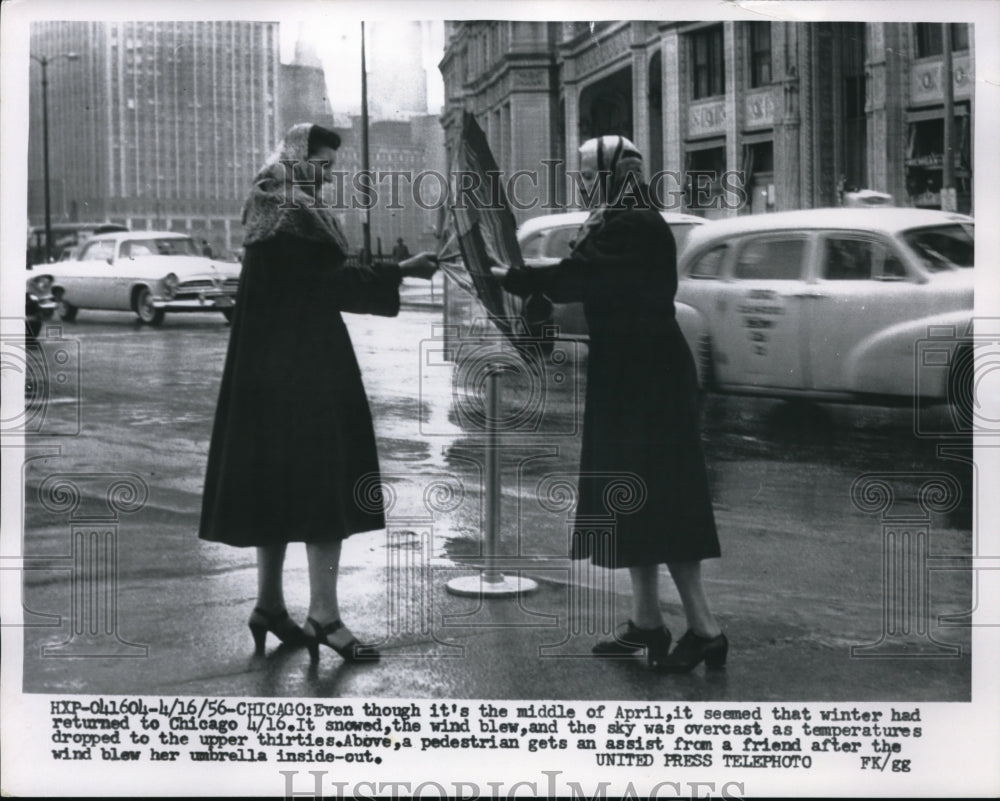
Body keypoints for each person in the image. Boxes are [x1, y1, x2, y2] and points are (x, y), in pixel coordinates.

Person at [199, 123, 437, 663]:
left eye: (331, 166)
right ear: (295, 158)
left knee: (275, 489)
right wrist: (402, 270)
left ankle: (269, 608)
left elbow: (313, 281)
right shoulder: (297, 214)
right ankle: (324, 617)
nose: (327, 175)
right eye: (320, 164)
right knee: (325, 490)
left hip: (266, 375)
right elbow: (333, 285)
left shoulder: (266, 204)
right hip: (309, 369)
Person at [495, 135, 725, 673]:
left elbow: (581, 277)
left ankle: (706, 630)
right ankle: (647, 625)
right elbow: (583, 275)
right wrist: (530, 277)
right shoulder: (618, 217)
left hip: (648, 377)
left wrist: (521, 276)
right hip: (629, 372)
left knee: (665, 501)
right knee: (634, 500)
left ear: (608, 172)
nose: (579, 182)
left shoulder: (631, 222)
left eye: (585, 173)